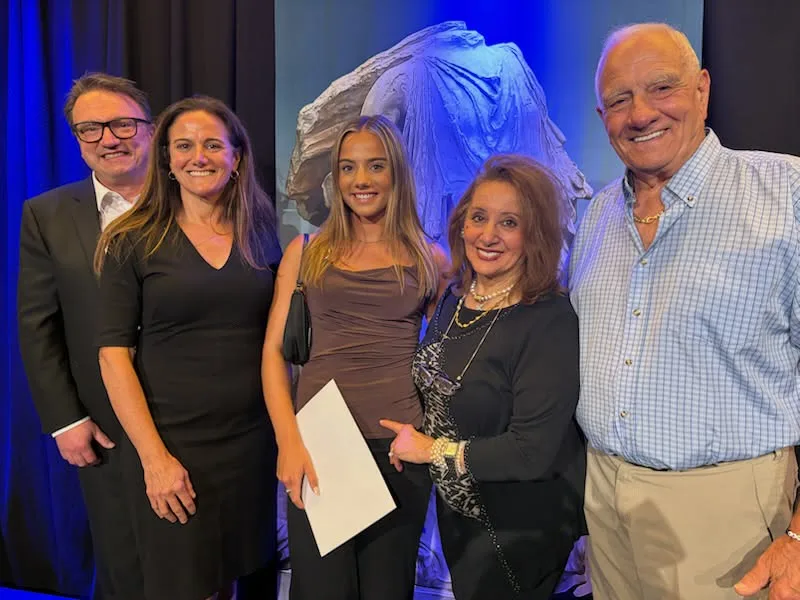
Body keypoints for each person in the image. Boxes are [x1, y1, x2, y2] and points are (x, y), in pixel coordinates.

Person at [569, 22, 800, 600]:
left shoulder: (786, 195)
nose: (640, 114)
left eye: (661, 88)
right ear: (602, 118)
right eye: (619, 100)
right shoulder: (596, 217)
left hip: (731, 517)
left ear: (702, 89)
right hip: (606, 502)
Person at [95, 96, 282, 600]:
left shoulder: (261, 233)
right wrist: (154, 459)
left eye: (213, 145)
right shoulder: (131, 239)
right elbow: (113, 357)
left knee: (242, 579)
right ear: (168, 159)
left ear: (236, 157)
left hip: (250, 447)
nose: (198, 156)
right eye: (184, 145)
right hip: (173, 446)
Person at [262, 114, 448, 600]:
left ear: (396, 172)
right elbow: (274, 354)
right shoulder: (306, 252)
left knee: (388, 589)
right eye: (348, 167)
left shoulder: (430, 259)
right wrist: (288, 441)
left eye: (375, 166)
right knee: (320, 589)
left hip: (398, 450)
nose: (361, 180)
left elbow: (448, 360)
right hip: (319, 447)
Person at [383, 154, 586, 599]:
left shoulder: (549, 320)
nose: (488, 235)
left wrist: (430, 450)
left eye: (509, 223)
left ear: (534, 235)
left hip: (517, 529)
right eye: (478, 217)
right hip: (460, 518)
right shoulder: (456, 297)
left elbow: (531, 452)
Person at [17, 72, 152, 599]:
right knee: (125, 562)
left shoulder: (193, 199)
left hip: (196, 413)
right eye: (90, 129)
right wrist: (65, 420)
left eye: (121, 124)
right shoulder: (47, 214)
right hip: (104, 425)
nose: (108, 139)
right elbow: (38, 324)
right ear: (77, 139)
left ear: (150, 128)